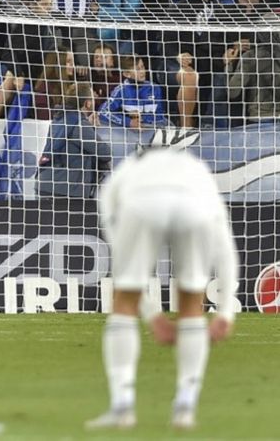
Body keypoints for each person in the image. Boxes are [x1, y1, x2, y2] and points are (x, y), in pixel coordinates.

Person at [87, 148, 237, 430]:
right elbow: (226, 249)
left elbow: (121, 261)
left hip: (142, 202)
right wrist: (226, 313)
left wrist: (153, 316)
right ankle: (185, 407)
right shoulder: (198, 169)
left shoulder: (120, 176)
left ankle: (122, 407)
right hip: (194, 205)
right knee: (192, 300)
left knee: (124, 296)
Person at [96, 55, 168, 129]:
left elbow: (160, 115)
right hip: (129, 133)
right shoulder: (121, 91)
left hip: (152, 130)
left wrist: (142, 119)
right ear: (126, 74)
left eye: (142, 67)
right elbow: (103, 112)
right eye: (137, 69)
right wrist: (128, 121)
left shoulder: (155, 88)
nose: (142, 71)